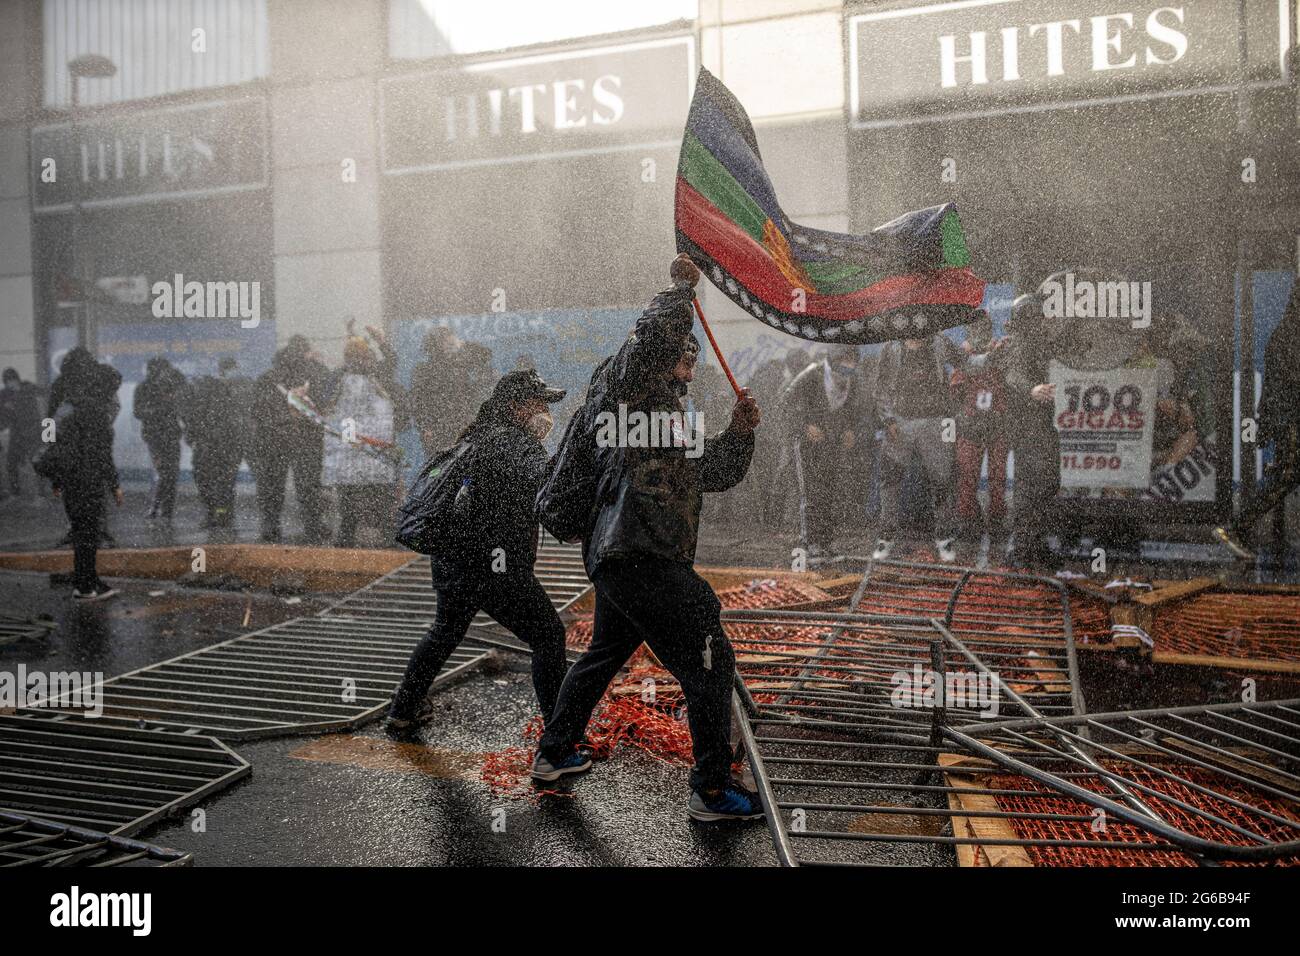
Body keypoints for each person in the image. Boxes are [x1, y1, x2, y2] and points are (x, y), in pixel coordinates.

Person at [533, 253, 765, 823]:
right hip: (642, 555)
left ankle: (554, 754)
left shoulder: (666, 416)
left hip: (624, 559)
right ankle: (712, 791)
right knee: (708, 654)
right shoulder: (628, 381)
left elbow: (711, 474)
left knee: (604, 653)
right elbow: (654, 333)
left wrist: (738, 434)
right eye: (686, 358)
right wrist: (681, 290)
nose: (691, 367)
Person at [387, 369, 570, 731]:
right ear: (517, 407)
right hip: (492, 565)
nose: (546, 412)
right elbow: (549, 480)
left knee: (446, 629)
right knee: (549, 635)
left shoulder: (477, 436)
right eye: (540, 403)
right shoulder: (513, 442)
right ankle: (560, 735)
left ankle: (403, 711)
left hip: (454, 559)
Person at [1217, 281, 1300, 560]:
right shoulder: (1291, 334)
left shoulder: (1286, 331)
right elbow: (1289, 383)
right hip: (1290, 418)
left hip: (1286, 415)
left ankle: (1237, 527)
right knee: (1286, 477)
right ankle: (1236, 528)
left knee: (1285, 477)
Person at [872, 330, 965, 562]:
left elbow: (966, 363)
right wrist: (888, 419)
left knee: (943, 480)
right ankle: (886, 538)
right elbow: (880, 388)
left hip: (937, 420)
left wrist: (985, 357)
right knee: (890, 480)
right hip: (901, 421)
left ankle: (945, 539)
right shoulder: (892, 347)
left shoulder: (940, 342)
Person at [42, 358, 123, 600]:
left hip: (70, 480)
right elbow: (103, 453)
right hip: (88, 480)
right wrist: (115, 484)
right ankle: (86, 586)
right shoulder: (96, 412)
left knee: (81, 533)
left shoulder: (70, 407)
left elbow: (56, 446)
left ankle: (88, 581)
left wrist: (57, 480)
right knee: (89, 534)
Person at [783, 346, 872, 560]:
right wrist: (805, 426)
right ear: (833, 361)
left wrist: (850, 429)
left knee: (829, 492)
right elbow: (785, 403)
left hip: (830, 442)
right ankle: (808, 543)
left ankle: (825, 543)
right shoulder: (812, 374)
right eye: (843, 366)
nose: (846, 373)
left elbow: (855, 408)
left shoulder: (854, 380)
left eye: (851, 366)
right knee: (810, 493)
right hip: (805, 443)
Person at [321, 331, 404, 548]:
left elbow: (326, 405)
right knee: (376, 493)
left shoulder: (342, 375)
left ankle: (350, 535)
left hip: (355, 444)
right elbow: (392, 361)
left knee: (353, 493)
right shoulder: (376, 373)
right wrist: (382, 342)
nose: (358, 359)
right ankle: (385, 535)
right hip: (370, 444)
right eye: (355, 355)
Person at [1003, 293, 1065, 565]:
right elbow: (1012, 375)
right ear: (1028, 318)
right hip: (1026, 424)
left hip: (1040, 422)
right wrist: (1031, 390)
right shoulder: (1018, 343)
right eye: (1038, 316)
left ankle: (1034, 540)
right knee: (1031, 485)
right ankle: (1020, 546)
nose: (1042, 320)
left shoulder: (1038, 343)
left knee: (1047, 481)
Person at [251, 336, 330, 543]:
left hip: (274, 438)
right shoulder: (315, 375)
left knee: (272, 484)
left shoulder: (268, 377)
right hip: (307, 439)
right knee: (308, 485)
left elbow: (257, 411)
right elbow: (325, 405)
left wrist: (278, 422)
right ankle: (313, 526)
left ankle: (271, 525)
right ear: (306, 353)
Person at [950, 312, 1012, 545]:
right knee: (967, 475)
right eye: (975, 327)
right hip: (971, 423)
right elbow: (954, 390)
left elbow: (1010, 379)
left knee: (998, 476)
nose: (979, 331)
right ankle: (968, 520)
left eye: (983, 326)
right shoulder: (964, 353)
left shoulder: (998, 348)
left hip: (996, 421)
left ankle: (996, 519)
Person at [186, 357, 250, 529]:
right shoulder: (209, 388)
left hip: (230, 444)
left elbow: (247, 416)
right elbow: (196, 414)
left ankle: (222, 515)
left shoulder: (243, 388)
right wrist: (193, 437)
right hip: (210, 444)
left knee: (224, 482)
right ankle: (213, 512)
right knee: (206, 479)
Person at [133, 357, 189, 523]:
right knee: (164, 472)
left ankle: (165, 510)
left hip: (171, 435)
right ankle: (157, 508)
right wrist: (158, 411)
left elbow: (182, 406)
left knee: (171, 473)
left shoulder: (172, 386)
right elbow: (138, 411)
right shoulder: (144, 388)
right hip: (155, 437)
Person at [0, 368, 44, 499]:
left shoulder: (28, 388)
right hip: (17, 433)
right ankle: (15, 492)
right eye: (7, 382)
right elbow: (3, 413)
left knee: (36, 462)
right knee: (11, 463)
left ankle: (41, 493)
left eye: (11, 381)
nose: (10, 385)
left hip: (32, 432)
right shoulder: (5, 394)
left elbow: (44, 394)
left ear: (17, 379)